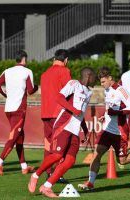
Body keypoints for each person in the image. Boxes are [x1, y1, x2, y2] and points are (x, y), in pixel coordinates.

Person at [78, 67, 130, 190]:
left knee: (122, 161)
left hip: (120, 131)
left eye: (103, 82)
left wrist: (116, 113)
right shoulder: (107, 90)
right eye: (100, 82)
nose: (102, 85)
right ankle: (90, 183)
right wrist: (105, 116)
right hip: (107, 130)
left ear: (110, 78)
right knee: (97, 154)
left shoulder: (121, 90)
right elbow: (110, 108)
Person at [28, 67, 96, 198]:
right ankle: (35, 175)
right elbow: (59, 98)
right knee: (57, 155)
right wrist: (73, 110)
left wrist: (85, 130)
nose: (95, 80)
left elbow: (80, 113)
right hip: (64, 125)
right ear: (88, 76)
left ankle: (47, 186)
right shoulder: (73, 84)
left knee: (70, 161)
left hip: (75, 130)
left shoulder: (89, 93)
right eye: (94, 77)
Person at [0, 50, 38, 175]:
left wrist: (5, 94)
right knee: (13, 137)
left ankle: (24, 166)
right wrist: (37, 87)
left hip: (8, 108)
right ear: (24, 59)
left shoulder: (7, 71)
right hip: (19, 109)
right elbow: (30, 90)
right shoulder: (27, 71)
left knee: (19, 137)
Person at [40, 49, 72, 180]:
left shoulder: (44, 74)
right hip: (58, 114)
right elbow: (70, 91)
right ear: (66, 60)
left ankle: (48, 171)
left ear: (54, 59)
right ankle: (57, 174)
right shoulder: (64, 71)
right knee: (60, 145)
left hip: (45, 113)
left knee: (48, 144)